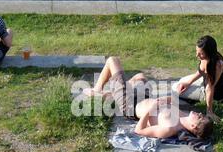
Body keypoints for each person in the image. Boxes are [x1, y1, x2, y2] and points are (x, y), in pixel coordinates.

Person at [83, 56, 213, 139]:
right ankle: (115, 93)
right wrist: (170, 98)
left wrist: (150, 110)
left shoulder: (169, 128)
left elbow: (139, 130)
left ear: (194, 126)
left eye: (200, 117)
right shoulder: (184, 115)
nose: (199, 113)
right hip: (142, 97)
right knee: (140, 77)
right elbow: (172, 101)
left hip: (130, 105)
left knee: (112, 61)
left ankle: (98, 90)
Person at [172, 35, 223, 123]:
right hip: (205, 82)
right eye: (196, 52)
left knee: (175, 88)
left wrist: (209, 112)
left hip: (215, 93)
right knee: (181, 82)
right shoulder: (208, 57)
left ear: (209, 52)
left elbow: (210, 88)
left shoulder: (217, 65)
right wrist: (189, 83)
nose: (197, 55)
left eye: (200, 53)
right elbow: (201, 72)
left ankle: (200, 99)